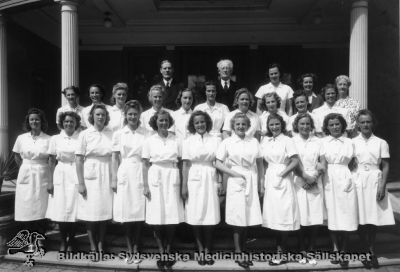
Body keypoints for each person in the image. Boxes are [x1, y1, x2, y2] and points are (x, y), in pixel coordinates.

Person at [215, 112, 263, 269]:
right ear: (233, 126)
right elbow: (217, 163)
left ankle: (244, 250)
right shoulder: (228, 142)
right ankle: (238, 252)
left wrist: (260, 184)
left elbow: (260, 164)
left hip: (251, 177)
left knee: (248, 216)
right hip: (235, 179)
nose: (241, 127)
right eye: (238, 124)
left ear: (248, 126)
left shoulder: (254, 141)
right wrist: (234, 174)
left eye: (244, 124)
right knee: (237, 217)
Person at [142, 110, 184, 270]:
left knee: (171, 214)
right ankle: (161, 252)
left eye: (166, 120)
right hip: (155, 175)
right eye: (161, 121)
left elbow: (180, 162)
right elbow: (145, 164)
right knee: (157, 216)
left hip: (172, 176)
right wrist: (145, 185)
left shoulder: (176, 139)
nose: (164, 123)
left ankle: (169, 250)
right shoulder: (149, 140)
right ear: (155, 122)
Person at [352, 110, 395, 268]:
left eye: (368, 122)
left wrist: (382, 186)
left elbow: (385, 165)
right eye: (362, 122)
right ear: (358, 124)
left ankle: (371, 250)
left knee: (373, 218)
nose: (365, 125)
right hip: (358, 179)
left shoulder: (381, 142)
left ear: (373, 123)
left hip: (374, 180)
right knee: (361, 218)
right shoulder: (352, 142)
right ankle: (364, 250)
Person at [181, 111, 222, 266]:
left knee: (210, 213)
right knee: (196, 214)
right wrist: (184, 186)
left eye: (202, 122)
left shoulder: (216, 140)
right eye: (197, 123)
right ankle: (199, 249)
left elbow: (218, 162)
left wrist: (219, 182)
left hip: (210, 176)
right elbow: (185, 165)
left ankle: (208, 249)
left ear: (207, 123)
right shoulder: (188, 141)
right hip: (194, 177)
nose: (200, 125)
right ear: (193, 125)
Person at [260, 113, 300, 265]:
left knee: (283, 216)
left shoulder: (288, 140)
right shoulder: (266, 140)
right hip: (270, 178)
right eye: (271, 125)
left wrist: (281, 174)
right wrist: (264, 181)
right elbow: (263, 162)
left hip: (283, 178)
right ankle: (278, 249)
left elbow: (295, 161)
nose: (274, 127)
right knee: (274, 217)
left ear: (282, 125)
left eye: (277, 124)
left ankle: (281, 252)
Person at [110, 100, 146, 264]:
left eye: (135, 113)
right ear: (125, 115)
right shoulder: (119, 133)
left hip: (139, 171)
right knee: (126, 213)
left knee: (137, 213)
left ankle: (136, 249)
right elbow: (115, 157)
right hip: (124, 171)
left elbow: (147, 158)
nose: (132, 116)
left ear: (139, 115)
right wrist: (114, 178)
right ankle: (129, 249)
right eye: (130, 114)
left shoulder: (145, 132)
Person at [320, 113, 358, 268]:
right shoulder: (323, 142)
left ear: (342, 125)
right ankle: (335, 248)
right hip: (329, 178)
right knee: (332, 213)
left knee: (347, 213)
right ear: (327, 127)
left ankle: (344, 249)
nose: (335, 127)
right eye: (331, 125)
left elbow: (354, 163)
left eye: (337, 124)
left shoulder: (350, 142)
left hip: (345, 176)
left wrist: (352, 179)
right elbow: (322, 162)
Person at [75, 104, 113, 257]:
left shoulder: (111, 133)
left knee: (104, 211)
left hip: (107, 171)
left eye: (103, 114)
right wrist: (81, 182)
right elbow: (78, 159)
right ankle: (92, 245)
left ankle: (101, 243)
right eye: (97, 114)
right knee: (90, 212)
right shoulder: (85, 134)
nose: (100, 117)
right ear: (92, 116)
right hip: (90, 172)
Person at [292, 113, 325, 265]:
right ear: (296, 126)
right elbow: (292, 163)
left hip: (315, 181)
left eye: (307, 124)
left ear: (311, 126)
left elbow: (322, 163)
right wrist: (305, 177)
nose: (305, 127)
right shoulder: (292, 141)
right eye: (301, 124)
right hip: (298, 181)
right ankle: (302, 249)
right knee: (301, 217)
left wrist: (313, 179)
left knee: (315, 217)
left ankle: (312, 249)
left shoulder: (319, 142)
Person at [46, 111, 81, 252]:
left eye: (71, 121)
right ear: (62, 123)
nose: (69, 124)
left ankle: (72, 240)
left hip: (74, 172)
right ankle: (62, 240)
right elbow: (51, 161)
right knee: (60, 208)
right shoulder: (55, 138)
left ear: (76, 123)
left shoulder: (80, 138)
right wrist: (50, 181)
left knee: (73, 207)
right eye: (66, 121)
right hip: (60, 173)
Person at [13, 108, 51, 234]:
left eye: (37, 119)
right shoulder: (21, 138)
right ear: (28, 122)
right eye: (31, 119)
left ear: (41, 121)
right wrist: (24, 168)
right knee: (26, 205)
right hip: (26, 173)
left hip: (42, 173)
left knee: (41, 204)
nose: (34, 121)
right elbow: (17, 156)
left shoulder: (48, 139)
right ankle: (29, 237)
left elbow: (51, 158)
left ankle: (40, 237)